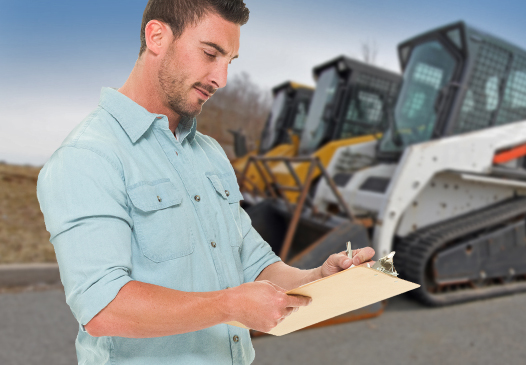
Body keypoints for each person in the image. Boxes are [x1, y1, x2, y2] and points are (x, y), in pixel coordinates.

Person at [37, 0, 375, 364]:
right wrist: (229, 304)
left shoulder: (210, 154)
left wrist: (317, 277)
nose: (221, 79)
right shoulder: (88, 156)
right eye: (210, 53)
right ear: (156, 37)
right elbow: (103, 308)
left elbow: (254, 263)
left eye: (229, 61)